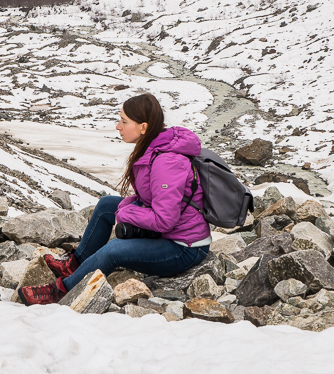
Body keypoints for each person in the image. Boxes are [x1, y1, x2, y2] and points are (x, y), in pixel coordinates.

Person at [19, 93, 211, 305]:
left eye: (124, 121)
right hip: (171, 234)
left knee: (113, 250)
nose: (118, 127)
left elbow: (164, 220)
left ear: (144, 127)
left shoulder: (166, 162)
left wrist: (126, 212)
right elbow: (152, 198)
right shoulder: (155, 147)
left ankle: (62, 290)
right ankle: (77, 264)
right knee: (107, 205)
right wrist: (126, 207)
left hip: (184, 247)